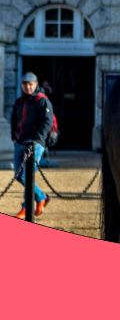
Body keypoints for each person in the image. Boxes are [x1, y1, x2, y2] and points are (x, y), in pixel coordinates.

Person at [11, 72, 52, 219]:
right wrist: (14, 137)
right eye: (25, 84)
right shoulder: (19, 101)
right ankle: (41, 197)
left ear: (36, 84)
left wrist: (37, 140)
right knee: (18, 175)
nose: (28, 87)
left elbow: (47, 123)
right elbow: (14, 119)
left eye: (30, 84)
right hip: (20, 142)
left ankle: (27, 206)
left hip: (35, 144)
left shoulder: (42, 101)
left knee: (25, 175)